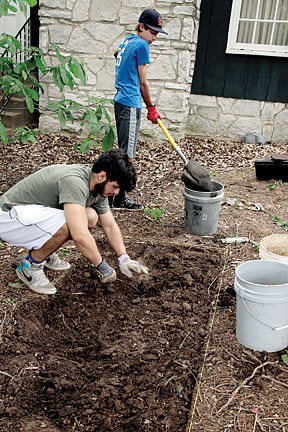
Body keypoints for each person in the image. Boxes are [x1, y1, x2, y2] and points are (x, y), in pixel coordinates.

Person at [0, 148, 148, 295]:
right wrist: (102, 266)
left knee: (90, 216)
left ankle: (45, 250)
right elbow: (80, 235)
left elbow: (109, 225)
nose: (115, 193)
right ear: (102, 176)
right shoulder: (75, 183)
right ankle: (31, 264)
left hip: (30, 216)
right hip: (9, 218)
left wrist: (123, 257)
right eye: (115, 187)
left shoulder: (97, 186)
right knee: (71, 223)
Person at [112, 8, 168, 211]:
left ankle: (113, 194)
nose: (154, 37)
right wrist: (151, 107)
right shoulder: (142, 46)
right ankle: (118, 199)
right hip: (131, 102)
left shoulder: (128, 40)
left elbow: (116, 54)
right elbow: (143, 84)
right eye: (152, 32)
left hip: (120, 100)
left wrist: (126, 75)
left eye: (157, 33)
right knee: (128, 154)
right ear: (142, 27)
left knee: (123, 149)